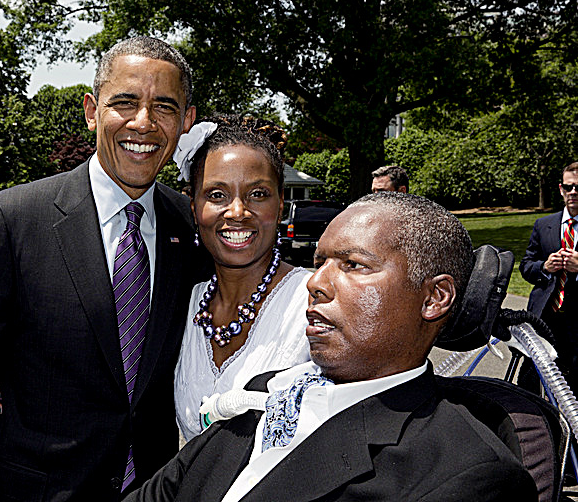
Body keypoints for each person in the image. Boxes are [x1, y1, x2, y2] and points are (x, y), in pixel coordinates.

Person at [123, 192, 536, 502]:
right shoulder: (267, 391)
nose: (314, 282)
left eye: (353, 265)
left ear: (433, 299)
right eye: (320, 261)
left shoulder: (468, 474)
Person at [0, 36, 209, 501]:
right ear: (91, 110)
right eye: (124, 102)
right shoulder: (11, 220)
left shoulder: (193, 228)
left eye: (164, 107)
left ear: (186, 120)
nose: (143, 123)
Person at [172, 116, 311, 441]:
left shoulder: (316, 302)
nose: (237, 211)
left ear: (280, 206)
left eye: (258, 194)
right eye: (217, 195)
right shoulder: (185, 303)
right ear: (194, 208)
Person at [521, 161, 578, 390]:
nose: (573, 192)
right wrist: (544, 267)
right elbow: (526, 266)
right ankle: (533, 422)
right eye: (569, 187)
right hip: (545, 316)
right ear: (561, 189)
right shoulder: (543, 224)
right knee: (531, 377)